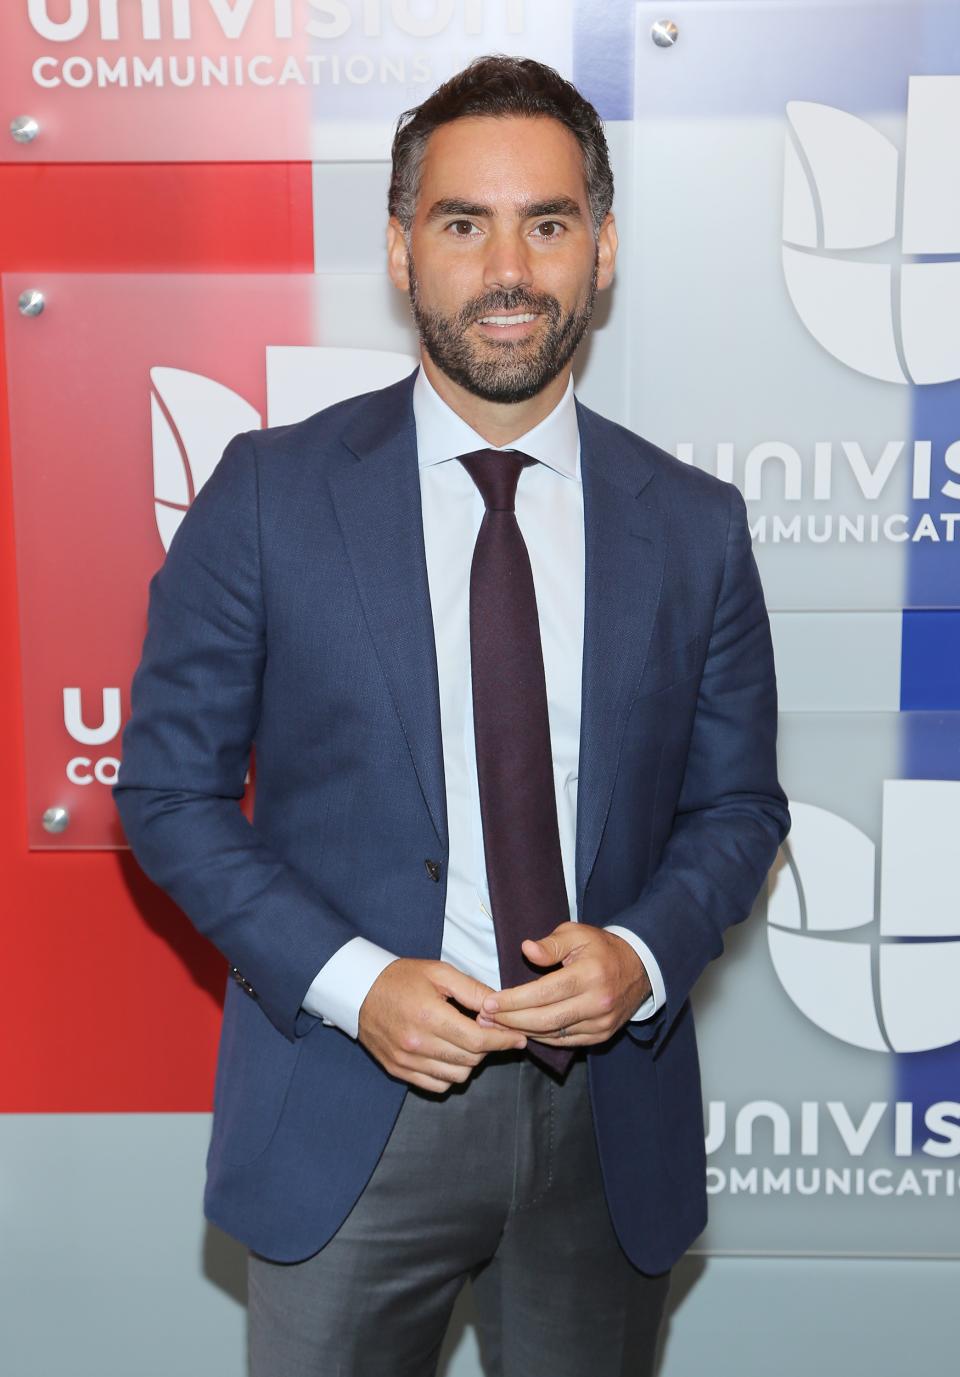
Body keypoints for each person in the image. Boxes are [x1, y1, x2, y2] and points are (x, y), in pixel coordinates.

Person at [114, 54, 789, 1377]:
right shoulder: (266, 495)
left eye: (547, 221)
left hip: (608, 1127)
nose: (508, 267)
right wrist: (355, 983)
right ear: (400, 248)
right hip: (345, 1110)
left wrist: (641, 958)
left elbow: (739, 803)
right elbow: (168, 793)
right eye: (462, 222)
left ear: (601, 249)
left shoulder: (696, 527)